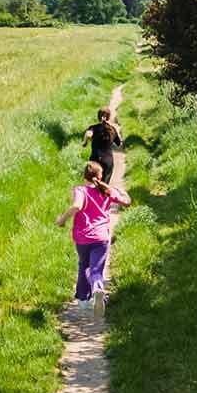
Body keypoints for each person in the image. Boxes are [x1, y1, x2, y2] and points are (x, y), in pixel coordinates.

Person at [55, 161, 130, 316]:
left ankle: (83, 301)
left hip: (82, 237)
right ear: (100, 175)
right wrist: (121, 192)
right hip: (101, 238)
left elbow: (77, 206)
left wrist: (62, 220)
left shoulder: (81, 190)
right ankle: (97, 288)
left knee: (84, 265)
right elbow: (126, 202)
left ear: (85, 176)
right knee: (96, 269)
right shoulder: (107, 190)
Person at [83, 106, 123, 184]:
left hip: (95, 160)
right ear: (108, 117)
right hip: (107, 161)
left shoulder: (93, 128)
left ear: (98, 116)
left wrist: (85, 143)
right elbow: (118, 144)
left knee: (92, 184)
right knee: (104, 185)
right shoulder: (112, 129)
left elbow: (88, 134)